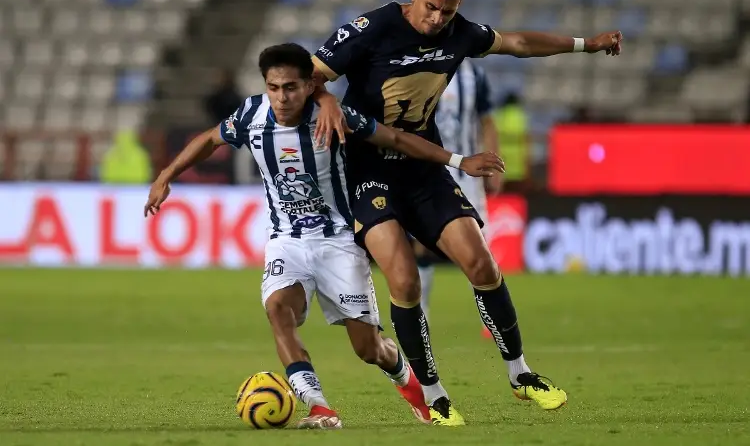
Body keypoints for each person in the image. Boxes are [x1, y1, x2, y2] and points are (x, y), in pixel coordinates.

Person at [310, 0, 622, 424]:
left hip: (423, 167)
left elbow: (517, 43)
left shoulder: (459, 32)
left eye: (448, 11)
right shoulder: (371, 28)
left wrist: (585, 44)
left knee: (481, 263)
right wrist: (327, 96)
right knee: (404, 279)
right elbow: (308, 73)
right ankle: (434, 395)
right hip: (366, 170)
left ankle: (521, 374)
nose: (437, 19)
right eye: (431, 7)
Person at [144, 43, 504, 429]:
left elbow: (397, 140)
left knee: (369, 349)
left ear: (309, 85)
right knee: (279, 310)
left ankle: (412, 387)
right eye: (274, 87)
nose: (282, 97)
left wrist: (456, 160)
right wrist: (167, 175)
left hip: (339, 243)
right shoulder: (251, 114)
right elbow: (209, 139)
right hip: (287, 240)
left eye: (291, 87)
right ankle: (319, 407)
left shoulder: (334, 117)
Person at [415, 59, 500, 336]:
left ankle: (491, 316)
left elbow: (487, 121)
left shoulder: (475, 74)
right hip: (432, 168)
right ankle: (422, 312)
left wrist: (495, 163)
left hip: (469, 173)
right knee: (421, 243)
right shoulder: (424, 69)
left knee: (478, 245)